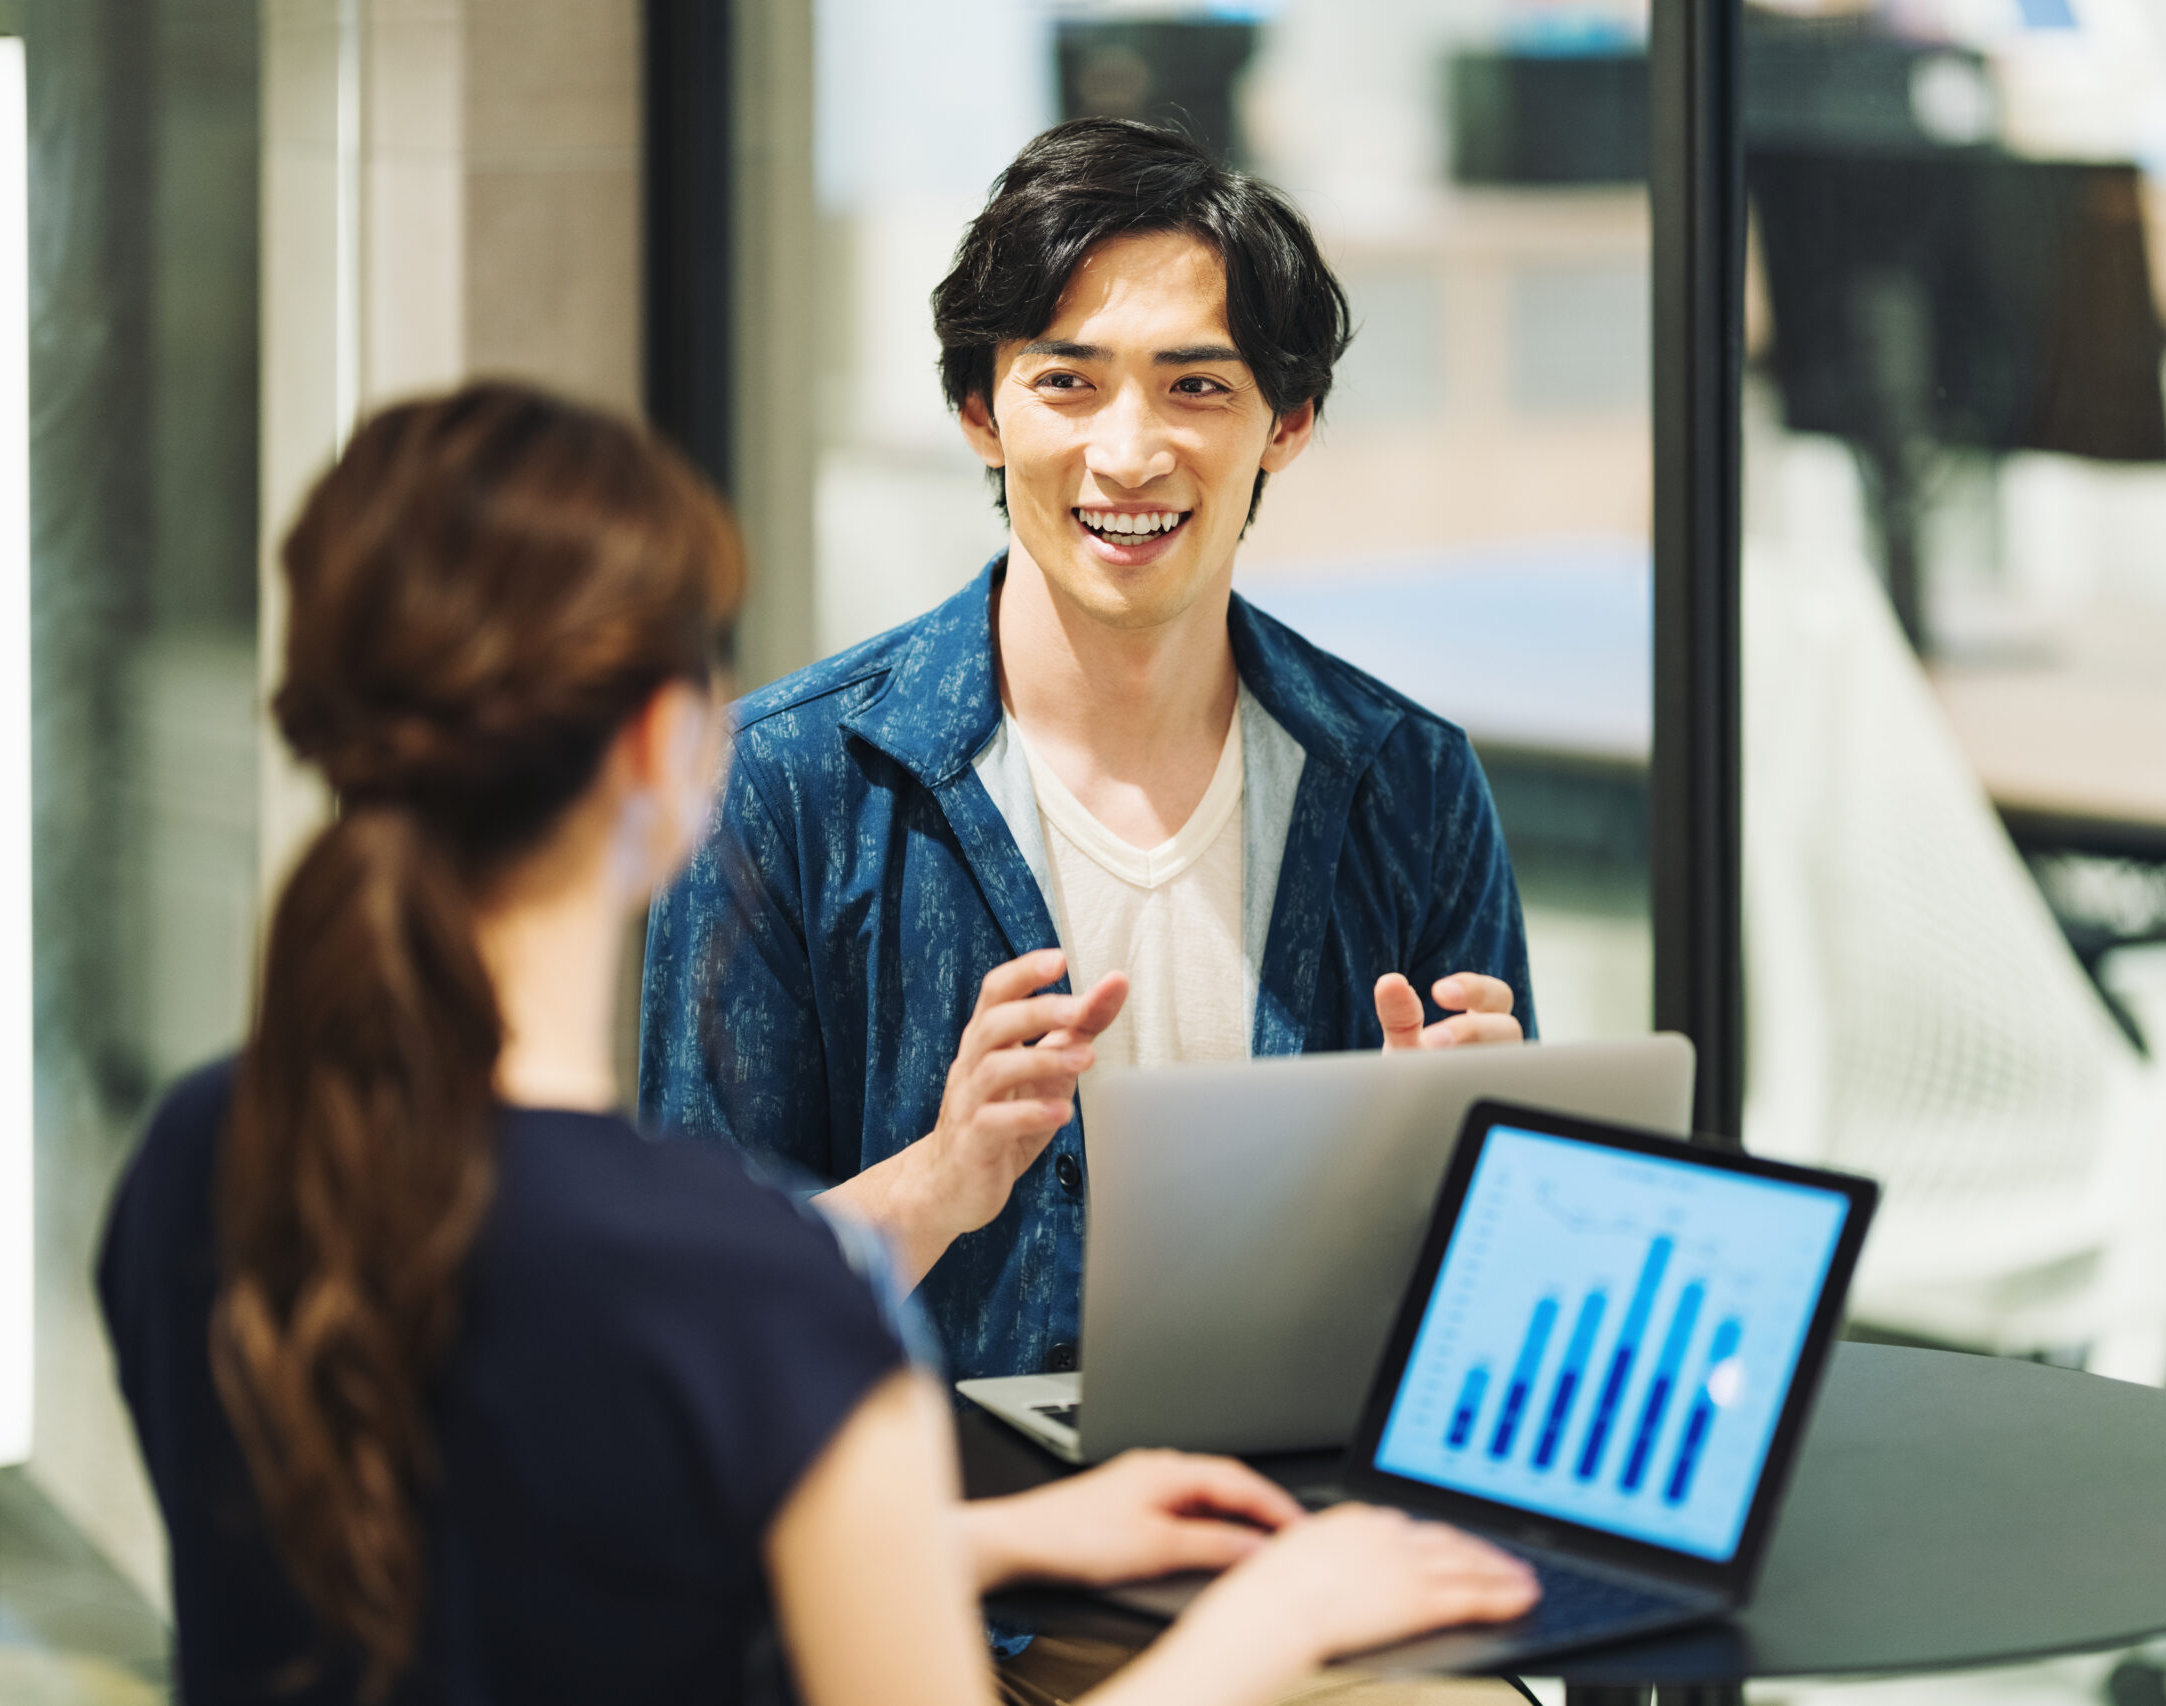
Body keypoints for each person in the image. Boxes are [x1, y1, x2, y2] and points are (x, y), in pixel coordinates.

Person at [94, 384, 1537, 1704]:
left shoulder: (201, 1157)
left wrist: (993, 1531)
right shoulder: (752, 1292)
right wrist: (1276, 1619)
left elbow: (547, 1566)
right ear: (671, 756)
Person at [639, 117, 1537, 1385]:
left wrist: (1462, 1179)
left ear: (1286, 423)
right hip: (937, 1555)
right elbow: (684, 1315)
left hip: (1300, 1535)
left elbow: (1508, 1313)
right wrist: (943, 1179)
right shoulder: (780, 785)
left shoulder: (1409, 782)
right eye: (1066, 381)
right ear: (978, 409)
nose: (1127, 451)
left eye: (1198, 385)